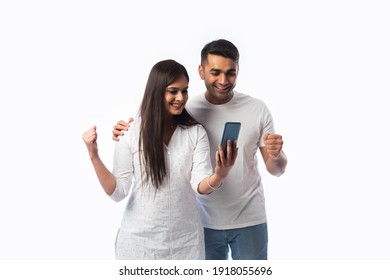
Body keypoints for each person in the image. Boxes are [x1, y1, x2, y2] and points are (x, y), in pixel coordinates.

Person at [112, 40, 288, 260]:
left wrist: (276, 154)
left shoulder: (257, 109)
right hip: (203, 223)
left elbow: (276, 170)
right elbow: (149, 126)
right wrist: (124, 129)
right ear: (201, 71)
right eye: (215, 72)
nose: (223, 81)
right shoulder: (187, 110)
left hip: (250, 219)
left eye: (230, 73)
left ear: (238, 71)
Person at [82, 59, 237, 260]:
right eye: (173, 91)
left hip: (186, 245)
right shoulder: (131, 133)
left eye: (185, 90)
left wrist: (219, 175)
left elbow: (199, 184)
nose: (180, 98)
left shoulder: (195, 133)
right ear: (156, 92)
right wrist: (94, 155)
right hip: (139, 244)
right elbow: (118, 192)